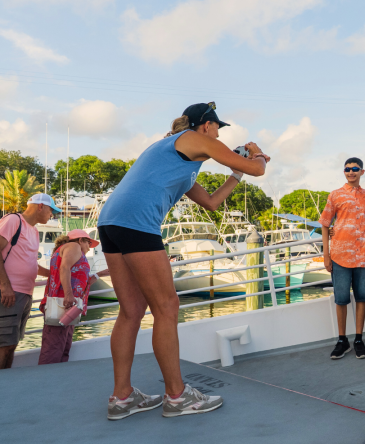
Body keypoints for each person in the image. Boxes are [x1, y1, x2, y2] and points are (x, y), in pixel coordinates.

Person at [98, 101, 270, 419]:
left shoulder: (177, 159)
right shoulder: (195, 138)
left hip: (111, 222)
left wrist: (235, 173)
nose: (218, 133)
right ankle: (177, 397)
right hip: (137, 222)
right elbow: (258, 169)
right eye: (218, 127)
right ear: (206, 125)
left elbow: (212, 203)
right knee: (167, 307)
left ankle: (121, 397)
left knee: (131, 311)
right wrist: (256, 154)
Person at [320, 158, 365, 360]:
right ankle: (342, 340)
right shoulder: (335, 195)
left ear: (362, 172)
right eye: (347, 169)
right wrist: (326, 255)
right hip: (339, 255)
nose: (351, 172)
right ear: (344, 171)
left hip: (362, 255)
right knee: (341, 299)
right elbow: (326, 224)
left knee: (362, 298)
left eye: (355, 169)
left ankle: (359, 339)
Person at [0, 193, 57, 369]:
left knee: (12, 343)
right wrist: (5, 286)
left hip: (25, 294)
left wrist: (54, 274)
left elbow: (31, 262)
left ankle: (6, 385)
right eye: (51, 210)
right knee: (3, 344)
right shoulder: (13, 221)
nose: (52, 214)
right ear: (41, 206)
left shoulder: (33, 230)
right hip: (10, 293)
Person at [38, 230, 110, 365]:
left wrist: (99, 274)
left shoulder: (70, 250)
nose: (90, 247)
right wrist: (68, 295)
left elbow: (76, 277)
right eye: (89, 242)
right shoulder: (74, 246)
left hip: (68, 306)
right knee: (54, 348)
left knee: (62, 346)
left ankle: (57, 378)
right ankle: (45, 381)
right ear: (80, 240)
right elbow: (64, 268)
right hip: (63, 303)